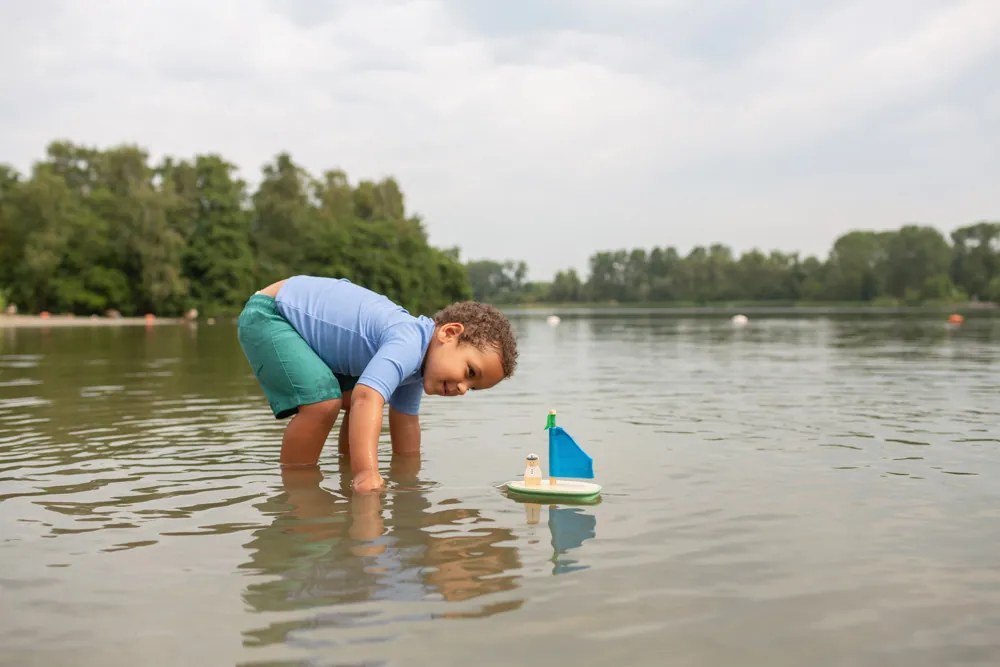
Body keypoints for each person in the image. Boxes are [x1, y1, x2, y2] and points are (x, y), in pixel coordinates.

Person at [237, 276, 518, 492]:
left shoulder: (417, 368)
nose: (462, 388)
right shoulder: (408, 341)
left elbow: (406, 423)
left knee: (349, 400)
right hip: (272, 314)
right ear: (449, 333)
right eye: (470, 371)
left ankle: (347, 475)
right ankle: (297, 489)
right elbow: (367, 398)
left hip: (301, 325)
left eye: (472, 388)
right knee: (324, 403)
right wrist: (367, 472)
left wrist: (410, 480)